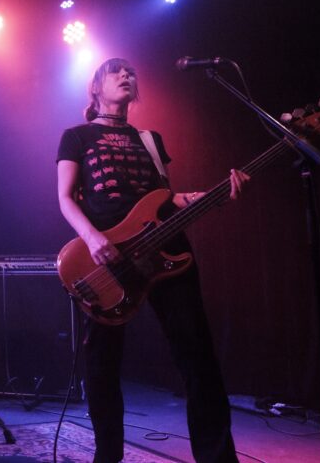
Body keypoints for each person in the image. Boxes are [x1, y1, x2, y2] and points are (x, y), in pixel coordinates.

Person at [56, 58, 249, 463]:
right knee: (102, 364)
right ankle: (107, 455)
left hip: (167, 248)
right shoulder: (76, 136)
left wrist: (199, 197)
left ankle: (217, 458)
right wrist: (92, 238)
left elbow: (164, 197)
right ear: (95, 87)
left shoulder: (150, 139)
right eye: (116, 72)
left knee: (197, 355)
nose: (126, 75)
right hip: (106, 257)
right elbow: (65, 197)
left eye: (131, 72)